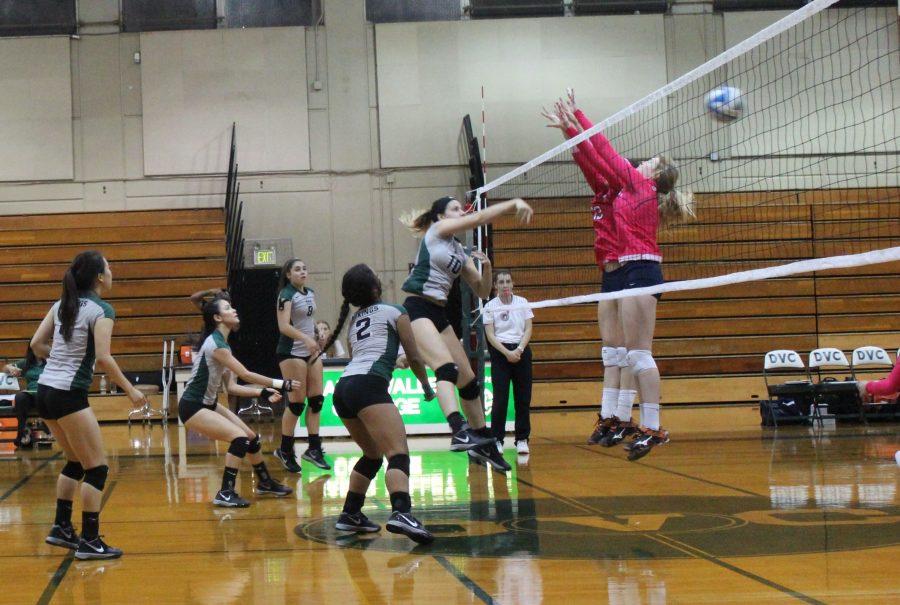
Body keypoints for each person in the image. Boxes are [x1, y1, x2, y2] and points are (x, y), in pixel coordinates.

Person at [558, 99, 694, 460]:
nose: (643, 161)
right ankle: (625, 420)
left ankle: (652, 426)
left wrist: (581, 117)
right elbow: (598, 161)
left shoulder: (640, 186)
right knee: (628, 353)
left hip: (642, 269)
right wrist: (571, 129)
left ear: (655, 173)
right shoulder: (632, 187)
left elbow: (605, 149)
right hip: (631, 269)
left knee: (639, 354)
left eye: (650, 161)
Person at [400, 195, 533, 472]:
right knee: (446, 369)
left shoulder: (459, 251)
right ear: (440, 217)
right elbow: (479, 218)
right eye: (455, 209)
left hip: (440, 312)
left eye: (462, 208)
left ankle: (483, 445)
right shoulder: (436, 232)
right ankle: (458, 429)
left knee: (469, 384)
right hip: (417, 307)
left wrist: (487, 267)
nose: (461, 212)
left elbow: (483, 291)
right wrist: (513, 204)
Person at [30, 250, 149, 560]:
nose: (111, 273)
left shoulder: (61, 304)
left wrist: (59, 358)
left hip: (44, 390)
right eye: (109, 268)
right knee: (97, 469)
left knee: (75, 462)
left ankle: (61, 528)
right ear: (99, 276)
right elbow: (103, 357)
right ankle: (90, 540)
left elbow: (36, 345)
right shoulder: (102, 309)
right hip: (68, 393)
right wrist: (130, 390)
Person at [324, 264, 434, 543]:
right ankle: (401, 512)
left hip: (344, 387)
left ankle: (350, 513)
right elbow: (415, 356)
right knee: (397, 452)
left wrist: (393, 362)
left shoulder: (354, 320)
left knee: (372, 454)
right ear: (376, 287)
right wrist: (425, 386)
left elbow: (361, 355)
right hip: (368, 385)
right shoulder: (396, 311)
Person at [543, 91, 629, 446]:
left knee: (626, 354)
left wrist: (578, 119)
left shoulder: (623, 188)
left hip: (627, 273)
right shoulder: (602, 191)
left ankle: (623, 417)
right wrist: (568, 130)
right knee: (611, 353)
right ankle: (609, 419)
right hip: (607, 276)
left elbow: (599, 153)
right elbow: (586, 160)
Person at [179, 296, 299, 508]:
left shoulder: (223, 344)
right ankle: (225, 492)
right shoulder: (216, 345)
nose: (234, 310)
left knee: (251, 439)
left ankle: (265, 483)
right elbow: (246, 373)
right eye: (227, 308)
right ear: (217, 317)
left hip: (209, 404)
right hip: (193, 406)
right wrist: (282, 384)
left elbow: (232, 387)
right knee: (239, 439)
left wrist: (262, 393)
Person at [273, 258, 330, 473]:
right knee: (297, 403)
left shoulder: (310, 292)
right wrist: (305, 339)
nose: (302, 272)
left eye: (305, 268)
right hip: (291, 352)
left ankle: (314, 449)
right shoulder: (286, 295)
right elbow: (283, 326)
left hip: (310, 352)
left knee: (316, 400)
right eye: (297, 269)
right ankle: (285, 450)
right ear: (288, 274)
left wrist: (317, 332)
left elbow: (308, 320)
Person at [483, 270, 533, 455]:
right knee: (500, 399)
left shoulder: (523, 303)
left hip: (521, 352)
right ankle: (497, 439)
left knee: (523, 398)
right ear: (495, 285)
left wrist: (518, 350)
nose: (505, 285)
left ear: (512, 284)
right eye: (501, 282)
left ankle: (522, 439)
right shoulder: (490, 306)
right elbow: (490, 334)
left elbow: (528, 328)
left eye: (508, 281)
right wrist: (506, 352)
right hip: (500, 353)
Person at [4, 345, 47, 448]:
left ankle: (45, 427)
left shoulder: (50, 362)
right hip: (31, 393)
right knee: (20, 397)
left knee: (40, 395)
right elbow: (5, 368)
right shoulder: (26, 363)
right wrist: (10, 367)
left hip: (45, 392)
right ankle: (22, 432)